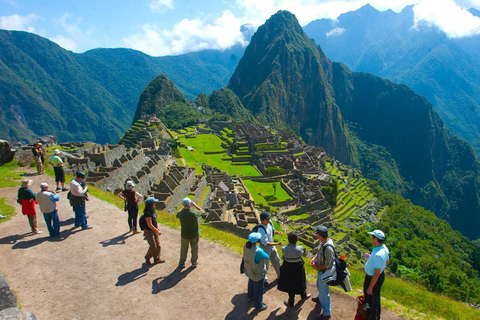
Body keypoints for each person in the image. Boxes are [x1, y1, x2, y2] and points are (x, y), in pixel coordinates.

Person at [278, 232, 311, 307]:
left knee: (290, 285)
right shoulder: (300, 248)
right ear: (296, 240)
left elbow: (284, 257)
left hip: (288, 269)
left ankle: (291, 301)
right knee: (301, 282)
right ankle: (303, 296)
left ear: (288, 240)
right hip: (298, 269)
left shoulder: (284, 250)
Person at [363, 230, 390, 320]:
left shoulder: (378, 255)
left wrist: (370, 287)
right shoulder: (384, 248)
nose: (371, 238)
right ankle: (376, 316)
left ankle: (372, 317)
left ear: (375, 239)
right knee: (376, 297)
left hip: (373, 278)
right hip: (379, 275)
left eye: (372, 236)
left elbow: (376, 274)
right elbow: (386, 262)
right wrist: (371, 258)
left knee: (371, 298)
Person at [310, 226, 334, 320]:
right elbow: (319, 253)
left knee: (324, 292)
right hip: (320, 271)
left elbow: (329, 265)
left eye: (317, 234)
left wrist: (317, 266)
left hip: (324, 272)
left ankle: (326, 312)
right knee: (319, 286)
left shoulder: (328, 248)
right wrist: (314, 259)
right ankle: (320, 298)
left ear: (319, 235)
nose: (316, 235)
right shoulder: (323, 243)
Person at [243, 232, 269, 311]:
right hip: (257, 271)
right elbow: (266, 256)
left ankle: (250, 298)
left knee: (251, 283)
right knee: (258, 289)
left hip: (249, 269)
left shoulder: (246, 246)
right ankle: (259, 305)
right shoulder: (258, 251)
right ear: (256, 241)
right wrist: (261, 249)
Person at [176, 198, 204, 268]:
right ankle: (194, 263)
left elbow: (177, 214)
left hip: (185, 234)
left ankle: (182, 262)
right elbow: (203, 212)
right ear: (190, 205)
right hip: (194, 234)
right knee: (194, 248)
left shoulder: (181, 214)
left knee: (184, 249)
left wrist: (183, 207)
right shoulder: (194, 213)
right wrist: (195, 205)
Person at [257, 211, 283, 287]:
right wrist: (277, 244)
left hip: (271, 247)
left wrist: (278, 232)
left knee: (277, 261)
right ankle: (265, 280)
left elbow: (272, 231)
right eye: (266, 219)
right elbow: (266, 243)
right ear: (262, 220)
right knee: (265, 265)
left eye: (268, 219)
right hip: (265, 248)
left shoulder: (270, 223)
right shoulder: (261, 229)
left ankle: (280, 276)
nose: (268, 220)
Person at [143, 197, 164, 265]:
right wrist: (157, 231)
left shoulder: (153, 211)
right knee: (153, 246)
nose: (155, 203)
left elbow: (154, 220)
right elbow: (149, 224)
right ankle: (147, 257)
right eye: (154, 203)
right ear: (151, 204)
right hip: (149, 231)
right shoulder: (147, 213)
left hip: (154, 230)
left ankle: (156, 258)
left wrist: (157, 228)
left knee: (158, 245)